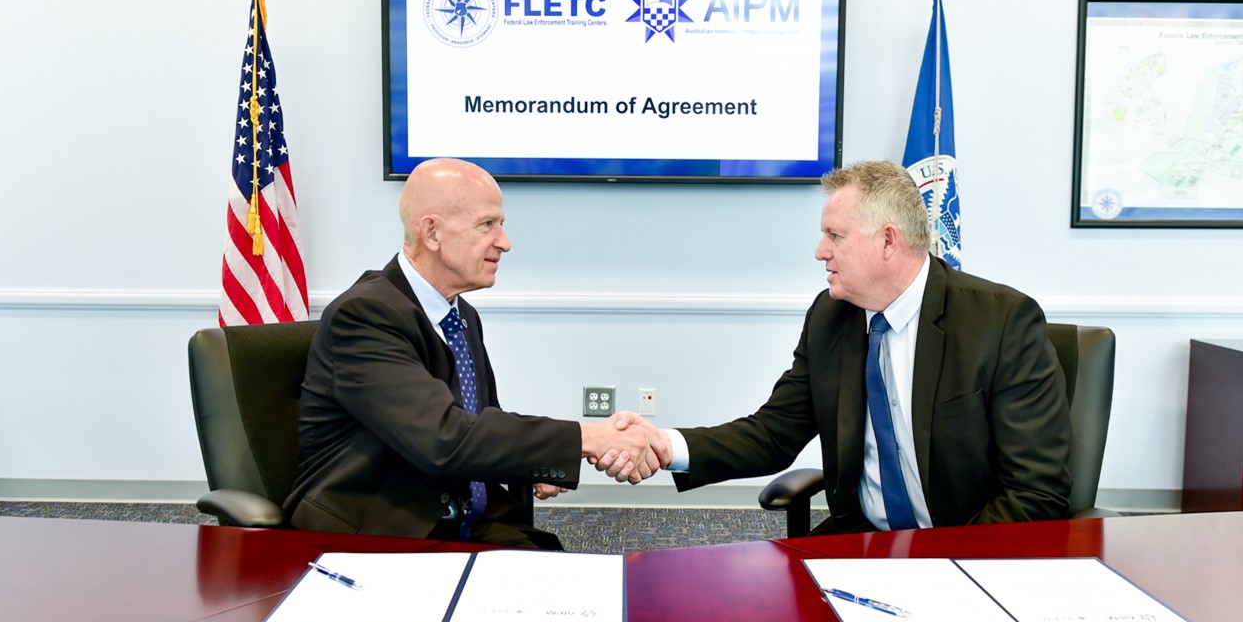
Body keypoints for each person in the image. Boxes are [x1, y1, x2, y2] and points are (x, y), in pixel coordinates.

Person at [608, 159, 1071, 533]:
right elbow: (773, 433)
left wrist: (940, 567)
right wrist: (665, 444)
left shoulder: (1000, 322)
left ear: (888, 240)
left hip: (968, 545)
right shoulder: (831, 317)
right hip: (862, 538)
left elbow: (1035, 492)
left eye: (835, 235)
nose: (819, 251)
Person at [284, 158, 659, 548]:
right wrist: (586, 437)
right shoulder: (364, 316)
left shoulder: (461, 315)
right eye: (487, 224)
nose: (505, 241)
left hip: (464, 517)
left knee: (559, 581)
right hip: (381, 532)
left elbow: (483, 421)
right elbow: (443, 438)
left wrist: (537, 463)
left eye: (501, 223)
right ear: (432, 232)